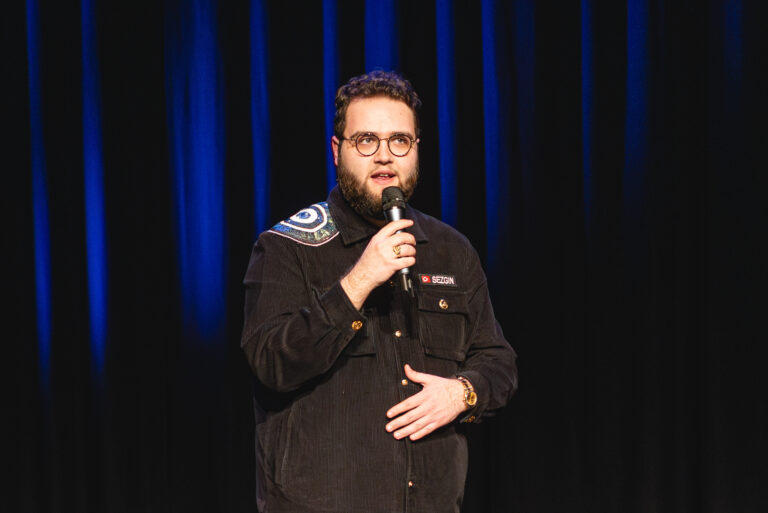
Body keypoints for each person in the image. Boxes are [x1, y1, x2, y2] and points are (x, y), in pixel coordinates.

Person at [241, 70, 517, 513]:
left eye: (399, 141)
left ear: (416, 150)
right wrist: (359, 280)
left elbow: (499, 361)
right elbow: (271, 361)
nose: (384, 156)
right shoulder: (287, 246)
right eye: (366, 140)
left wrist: (462, 392)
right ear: (337, 151)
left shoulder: (450, 250)